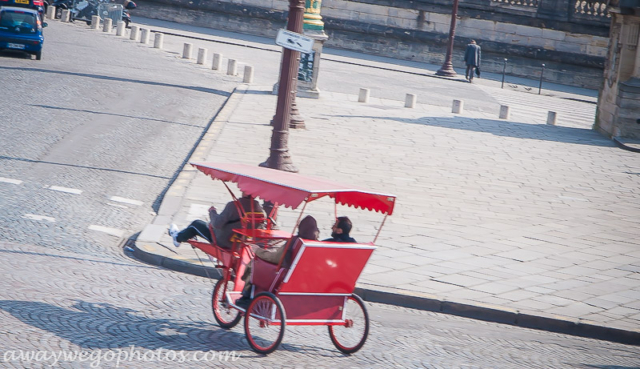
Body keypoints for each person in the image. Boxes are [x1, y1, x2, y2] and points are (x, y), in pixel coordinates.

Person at [235, 215, 319, 308]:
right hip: (304, 279)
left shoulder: (294, 242)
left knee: (254, 262)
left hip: (282, 276)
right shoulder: (316, 245)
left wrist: (258, 251)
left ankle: (246, 296)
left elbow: (274, 257)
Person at [168, 193, 264, 249]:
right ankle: (187, 236)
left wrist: (212, 212)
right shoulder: (260, 210)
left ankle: (177, 238)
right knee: (203, 225)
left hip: (222, 240)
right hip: (240, 244)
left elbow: (216, 224)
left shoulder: (234, 206)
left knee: (195, 224)